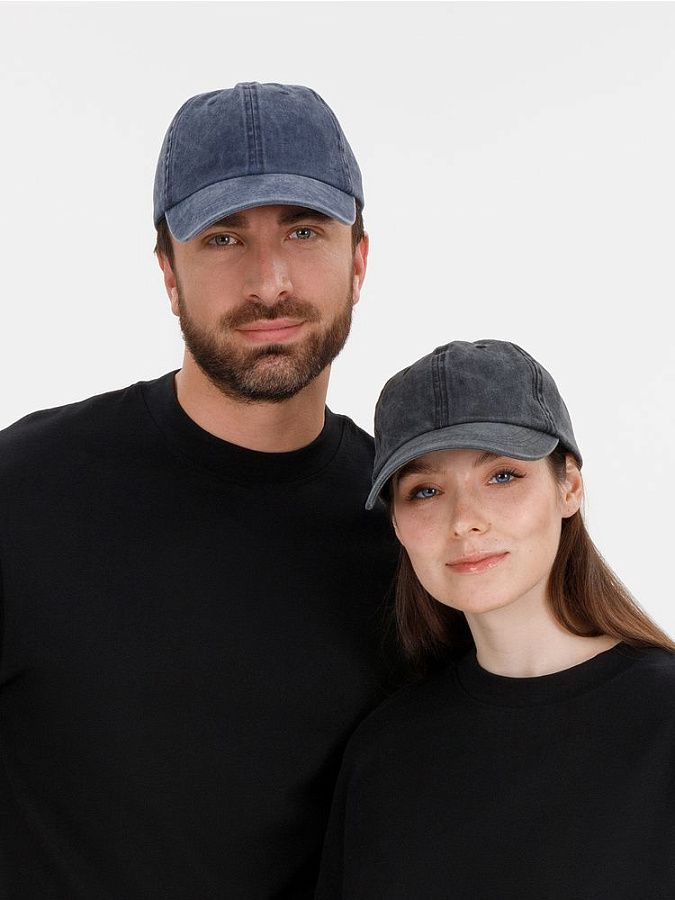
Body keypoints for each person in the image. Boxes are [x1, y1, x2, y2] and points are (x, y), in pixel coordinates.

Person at [0, 83, 398, 899]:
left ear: (358, 260)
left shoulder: (409, 528)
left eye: (303, 230)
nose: (269, 280)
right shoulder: (24, 491)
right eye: (222, 238)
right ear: (169, 275)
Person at [315, 339, 675, 899]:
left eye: (502, 476)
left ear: (569, 486)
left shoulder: (663, 721)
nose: (465, 520)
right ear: (397, 523)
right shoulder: (386, 753)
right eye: (425, 491)